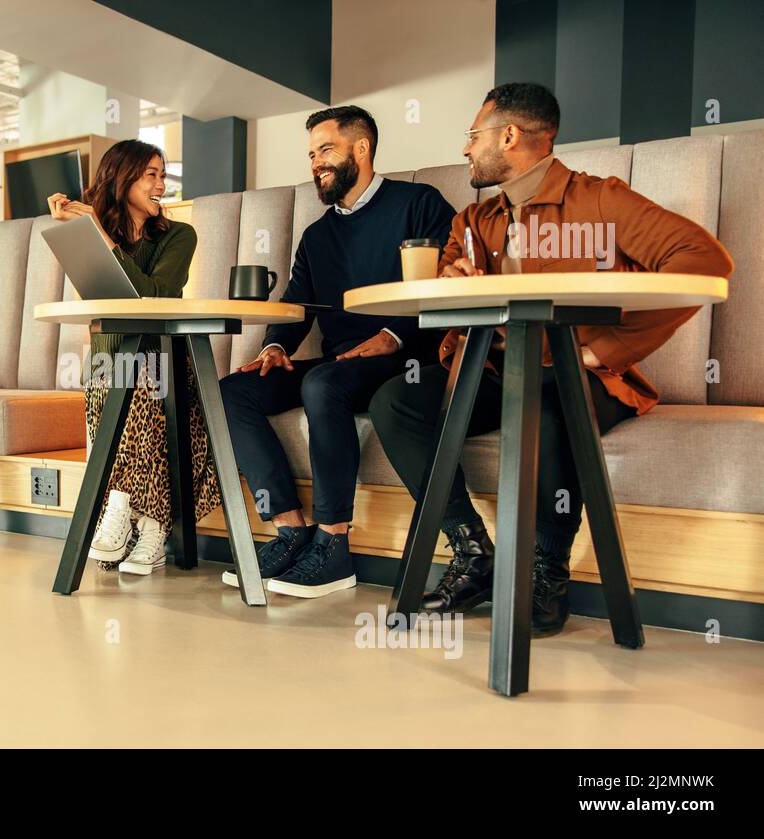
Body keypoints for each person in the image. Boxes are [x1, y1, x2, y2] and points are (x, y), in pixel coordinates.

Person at [368, 82, 733, 634]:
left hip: (578, 378)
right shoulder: (472, 221)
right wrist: (453, 285)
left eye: (473, 136)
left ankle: (546, 570)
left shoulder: (600, 199)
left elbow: (703, 260)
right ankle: (473, 553)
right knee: (396, 402)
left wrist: (602, 349)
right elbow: (442, 294)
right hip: (493, 373)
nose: (466, 149)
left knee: (544, 404)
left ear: (509, 135)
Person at [218, 106, 456, 598]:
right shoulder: (317, 235)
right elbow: (298, 303)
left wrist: (395, 336)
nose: (315, 164)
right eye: (310, 155)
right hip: (343, 360)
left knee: (321, 382)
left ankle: (334, 545)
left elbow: (450, 286)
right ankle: (290, 527)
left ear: (361, 149)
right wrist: (277, 347)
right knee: (233, 390)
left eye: (326, 150)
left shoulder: (419, 203)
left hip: (409, 356)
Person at [46, 139, 218, 576]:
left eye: (164, 175)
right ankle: (153, 525)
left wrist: (99, 237)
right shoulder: (96, 230)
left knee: (141, 376)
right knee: (119, 372)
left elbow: (155, 294)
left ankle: (124, 506)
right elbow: (98, 295)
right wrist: (76, 235)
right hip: (109, 362)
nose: (162, 185)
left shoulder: (180, 235)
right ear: (122, 180)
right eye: (151, 175)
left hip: (167, 362)